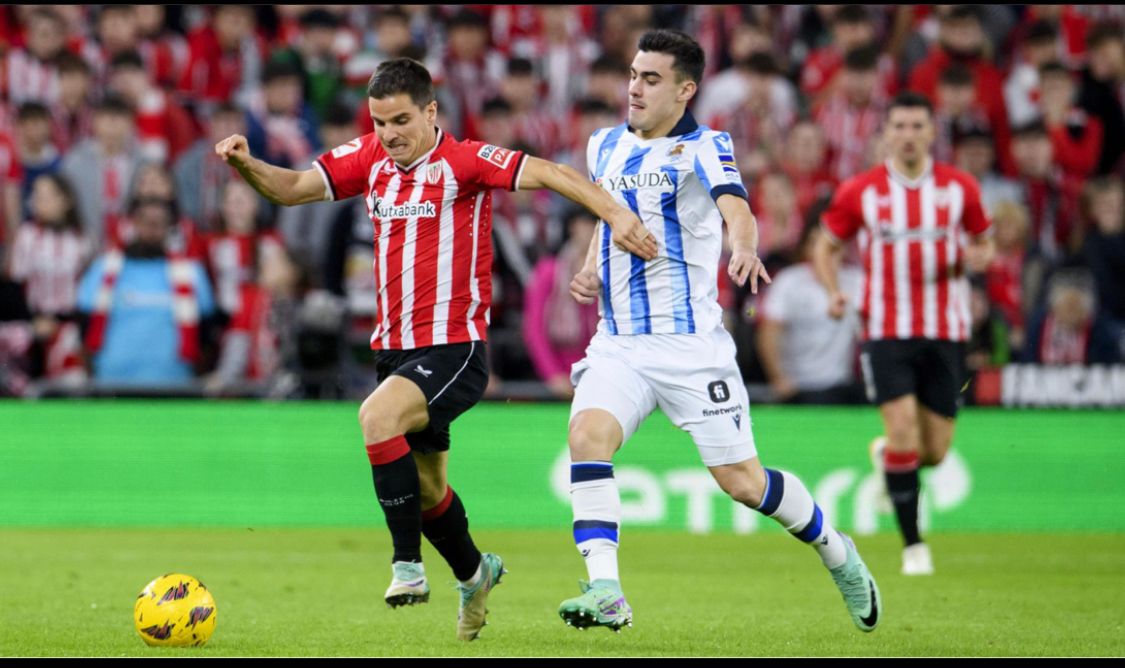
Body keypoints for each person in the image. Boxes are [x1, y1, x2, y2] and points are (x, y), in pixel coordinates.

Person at [214, 57, 656, 642]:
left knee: (376, 416)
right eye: (378, 122)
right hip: (395, 351)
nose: (389, 134)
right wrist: (246, 164)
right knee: (427, 491)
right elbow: (293, 187)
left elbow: (551, 172)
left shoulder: (465, 162)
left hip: (455, 348)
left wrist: (617, 215)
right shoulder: (370, 158)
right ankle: (476, 574)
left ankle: (408, 568)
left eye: (400, 120)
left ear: (430, 111)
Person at [560, 29, 881, 635]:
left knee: (742, 482)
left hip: (691, 349)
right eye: (633, 74)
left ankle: (836, 550)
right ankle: (606, 588)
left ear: (685, 90)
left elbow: (737, 204)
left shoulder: (707, 146)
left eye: (651, 79)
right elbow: (610, 220)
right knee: (586, 437)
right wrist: (588, 270)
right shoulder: (602, 145)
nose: (635, 86)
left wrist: (744, 247)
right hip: (620, 343)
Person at [812, 91, 995, 576]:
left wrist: (982, 257)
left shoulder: (960, 189)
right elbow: (825, 246)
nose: (909, 135)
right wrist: (833, 292)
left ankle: (886, 459)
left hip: (947, 331)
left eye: (917, 126)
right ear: (887, 133)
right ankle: (914, 547)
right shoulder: (861, 191)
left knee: (932, 452)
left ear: (932, 132)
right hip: (885, 329)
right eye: (900, 126)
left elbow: (984, 242)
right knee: (902, 431)